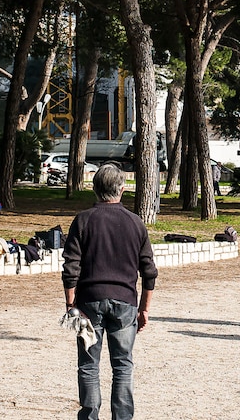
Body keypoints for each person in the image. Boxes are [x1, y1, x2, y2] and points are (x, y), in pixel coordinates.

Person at [62, 165, 158, 420]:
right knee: (123, 364)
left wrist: (71, 304)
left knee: (88, 364)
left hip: (89, 302)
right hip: (125, 302)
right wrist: (144, 309)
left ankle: (90, 416)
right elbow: (149, 272)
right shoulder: (135, 222)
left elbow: (71, 266)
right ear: (122, 190)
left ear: (94, 189)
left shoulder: (83, 220)